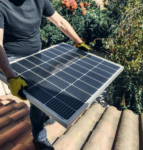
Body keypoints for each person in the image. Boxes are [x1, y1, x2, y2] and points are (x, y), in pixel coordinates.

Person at [0, 0, 92, 149]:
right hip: (12, 59)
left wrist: (78, 42)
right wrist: (11, 77)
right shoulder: (2, 4)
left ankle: (41, 114)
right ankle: (40, 137)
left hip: (36, 55)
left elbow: (61, 22)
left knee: (52, 76)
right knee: (39, 89)